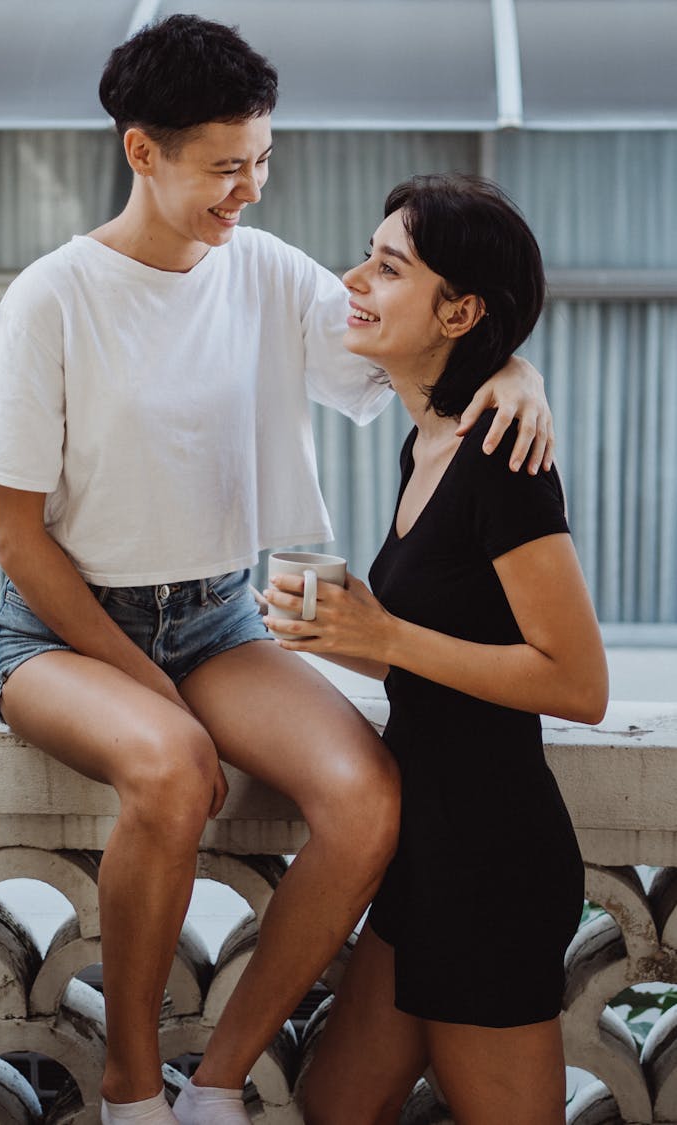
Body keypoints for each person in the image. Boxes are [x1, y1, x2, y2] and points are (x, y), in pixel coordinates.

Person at [0, 14, 556, 1125]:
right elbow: (16, 541)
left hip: (219, 621)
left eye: (262, 161)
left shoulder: (265, 274)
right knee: (175, 768)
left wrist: (516, 369)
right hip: (59, 633)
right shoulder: (53, 298)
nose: (252, 191)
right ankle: (134, 1088)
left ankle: (215, 1085)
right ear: (143, 150)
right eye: (226, 167)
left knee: (368, 802)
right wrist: (144, 684)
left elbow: (424, 326)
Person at [264, 174, 609, 1125]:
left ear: (459, 310)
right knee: (335, 1106)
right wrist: (345, 636)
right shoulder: (428, 442)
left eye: (387, 267)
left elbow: (577, 683)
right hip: (425, 849)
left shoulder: (504, 459)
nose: (352, 281)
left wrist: (387, 632)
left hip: (491, 861)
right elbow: (445, 654)